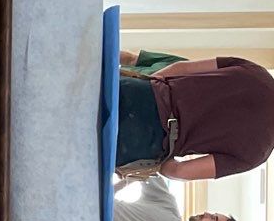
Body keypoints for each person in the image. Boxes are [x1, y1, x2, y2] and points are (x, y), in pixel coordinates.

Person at [115, 52, 274, 181]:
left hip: (141, 92)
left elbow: (182, 68)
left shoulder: (258, 73)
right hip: (144, 141)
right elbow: (179, 171)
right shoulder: (257, 153)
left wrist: (152, 87)